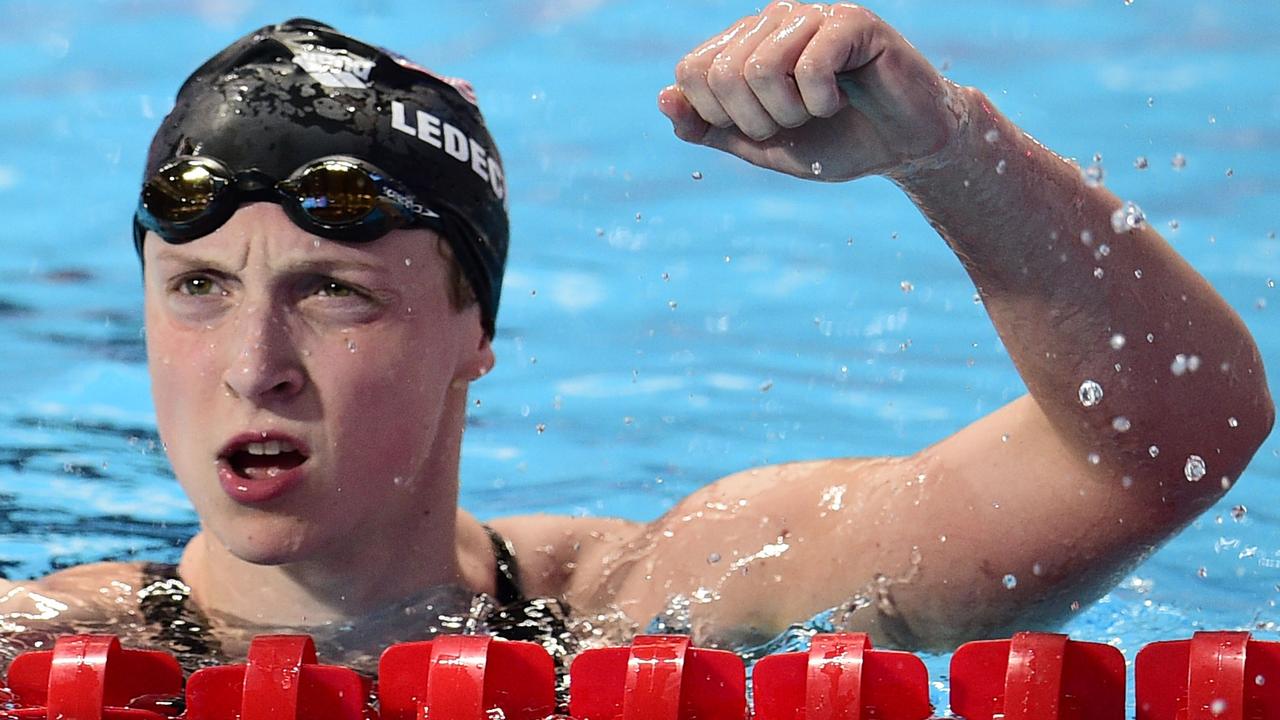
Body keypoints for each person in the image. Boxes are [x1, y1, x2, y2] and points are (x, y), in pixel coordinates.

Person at [0, 1, 1272, 671]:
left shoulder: (651, 608)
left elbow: (1166, 443)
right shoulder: (54, 644)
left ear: (473, 333)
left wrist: (949, 154)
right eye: (198, 288)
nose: (250, 364)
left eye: (335, 292)